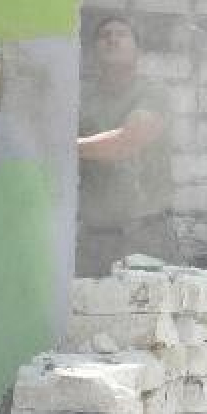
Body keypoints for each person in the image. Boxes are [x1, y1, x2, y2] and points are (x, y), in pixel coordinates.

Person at [77, 16, 172, 275]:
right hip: (93, 239)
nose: (112, 38)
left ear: (137, 50)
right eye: (105, 34)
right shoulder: (83, 98)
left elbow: (128, 141)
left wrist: (65, 147)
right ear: (94, 50)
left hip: (145, 236)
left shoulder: (153, 93)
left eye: (121, 33)